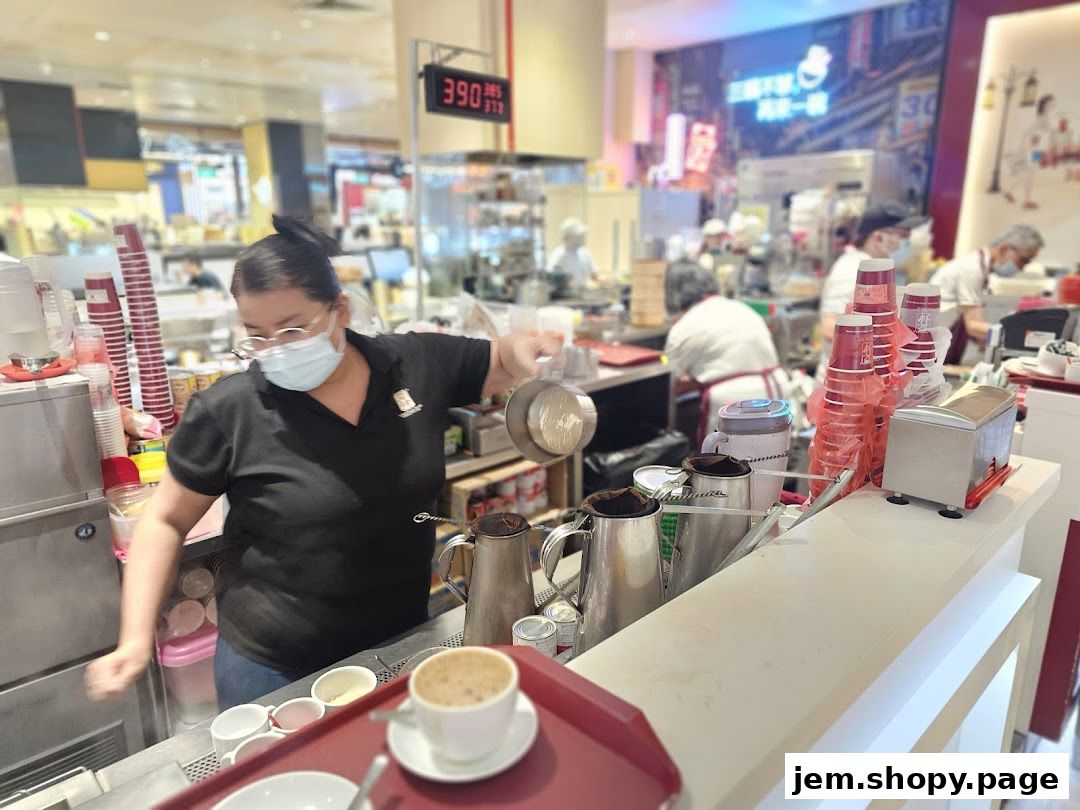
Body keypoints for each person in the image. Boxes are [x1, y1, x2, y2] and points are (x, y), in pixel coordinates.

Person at [86, 216, 561, 709]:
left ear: (340, 310)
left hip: (399, 642)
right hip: (274, 667)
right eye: (257, 335)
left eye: (293, 330)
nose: (275, 351)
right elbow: (165, 519)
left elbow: (500, 359)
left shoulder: (416, 364)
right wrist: (136, 639)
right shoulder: (232, 410)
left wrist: (526, 347)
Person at [664, 262, 783, 425]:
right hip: (777, 396)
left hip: (733, 407)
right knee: (771, 449)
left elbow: (669, 383)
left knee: (728, 450)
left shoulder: (685, 327)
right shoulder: (741, 309)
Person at [816, 202, 924, 374]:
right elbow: (830, 327)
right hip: (844, 386)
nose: (907, 243)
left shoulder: (874, 270)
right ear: (879, 237)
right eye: (903, 236)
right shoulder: (853, 270)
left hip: (865, 380)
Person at [931, 223, 1044, 363]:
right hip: (934, 349)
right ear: (1005, 248)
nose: (1022, 268)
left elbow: (970, 322)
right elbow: (973, 326)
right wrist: (1023, 337)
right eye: (1023, 260)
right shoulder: (971, 269)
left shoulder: (980, 268)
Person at [546, 217, 596, 287]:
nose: (581, 238)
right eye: (578, 236)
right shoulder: (558, 257)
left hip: (583, 294)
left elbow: (594, 275)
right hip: (565, 296)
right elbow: (550, 281)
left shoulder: (585, 254)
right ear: (566, 237)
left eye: (582, 236)